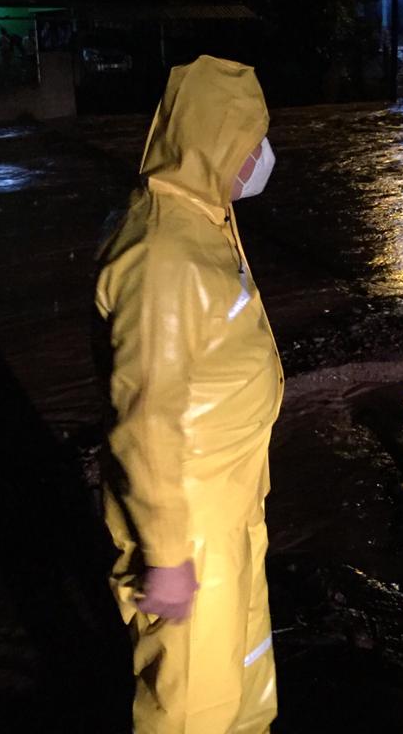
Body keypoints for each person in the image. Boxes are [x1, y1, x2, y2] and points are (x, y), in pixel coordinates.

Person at [95, 54, 283, 732]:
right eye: (249, 139)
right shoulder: (164, 253)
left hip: (230, 512)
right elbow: (147, 419)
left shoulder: (205, 221)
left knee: (242, 685)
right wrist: (170, 556)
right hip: (192, 531)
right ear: (213, 138)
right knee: (191, 709)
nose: (260, 155)